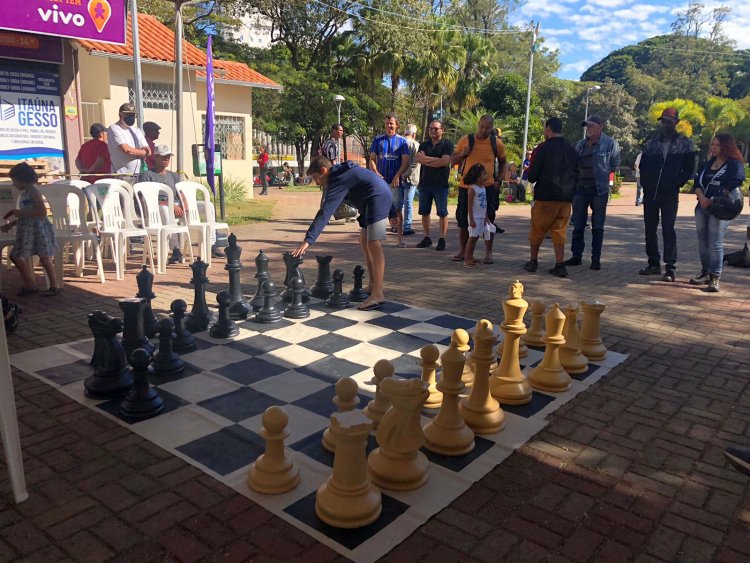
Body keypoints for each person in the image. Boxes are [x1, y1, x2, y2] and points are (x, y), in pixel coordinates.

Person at [292, 156, 392, 311]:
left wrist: (308, 240)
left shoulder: (338, 179)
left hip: (377, 198)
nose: (317, 182)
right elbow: (372, 180)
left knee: (374, 243)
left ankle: (378, 292)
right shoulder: (339, 174)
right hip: (373, 198)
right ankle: (372, 284)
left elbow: (325, 212)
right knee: (364, 241)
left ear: (324, 171)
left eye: (316, 178)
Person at [637, 108, 696, 281]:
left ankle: (670, 266)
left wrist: (678, 182)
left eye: (669, 121)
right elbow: (643, 166)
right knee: (650, 229)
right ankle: (653, 263)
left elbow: (689, 168)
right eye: (663, 121)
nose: (665, 125)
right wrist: (647, 184)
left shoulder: (685, 143)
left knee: (668, 229)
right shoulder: (651, 143)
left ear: (676, 122)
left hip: (670, 194)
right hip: (651, 193)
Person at [690, 134, 745, 292]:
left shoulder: (733, 165)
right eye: (712, 144)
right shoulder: (708, 164)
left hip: (721, 208)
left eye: (717, 145)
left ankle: (715, 277)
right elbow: (697, 183)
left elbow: (736, 181)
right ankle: (705, 272)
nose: (713, 147)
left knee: (715, 243)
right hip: (703, 207)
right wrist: (702, 198)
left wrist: (714, 198)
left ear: (726, 147)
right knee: (703, 242)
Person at [524, 117, 578, 277]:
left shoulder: (542, 148)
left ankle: (533, 261)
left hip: (545, 196)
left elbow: (532, 175)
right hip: (565, 198)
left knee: (538, 229)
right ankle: (560, 264)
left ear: (548, 129)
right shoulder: (571, 149)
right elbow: (578, 172)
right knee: (559, 231)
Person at [565, 115, 620, 271]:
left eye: (591, 126)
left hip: (599, 190)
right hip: (580, 190)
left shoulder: (610, 144)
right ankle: (576, 256)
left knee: (598, 226)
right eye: (587, 126)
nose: (588, 129)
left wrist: (605, 180)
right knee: (578, 225)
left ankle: (596, 258)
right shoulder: (579, 145)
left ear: (600, 126)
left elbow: (615, 164)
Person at [451, 114, 506, 264]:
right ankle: (463, 251)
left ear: (492, 128)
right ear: (478, 124)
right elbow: (453, 161)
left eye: (487, 128)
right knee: (463, 220)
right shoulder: (465, 140)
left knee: (489, 219)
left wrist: (498, 181)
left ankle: (489, 253)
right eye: (481, 126)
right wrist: (463, 153)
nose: (483, 130)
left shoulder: (496, 143)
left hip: (488, 187)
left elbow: (503, 163)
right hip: (466, 187)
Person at [0, 163, 59, 296]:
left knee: (44, 256)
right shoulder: (25, 193)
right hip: (27, 230)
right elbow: (27, 213)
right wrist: (12, 224)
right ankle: (30, 283)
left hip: (38, 230)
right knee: (15, 255)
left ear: (22, 179)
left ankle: (54, 284)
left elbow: (42, 212)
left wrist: (19, 213)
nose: (14, 184)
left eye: (14, 181)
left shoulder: (33, 192)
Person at [139, 144, 186, 265]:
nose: (166, 159)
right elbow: (147, 198)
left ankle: (211, 245)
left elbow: (182, 193)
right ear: (156, 157)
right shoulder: (147, 175)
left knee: (209, 207)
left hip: (176, 205)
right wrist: (170, 205)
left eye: (168, 157)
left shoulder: (174, 176)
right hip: (158, 207)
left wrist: (185, 205)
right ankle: (176, 250)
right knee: (166, 210)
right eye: (163, 157)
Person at [369, 114, 410, 247]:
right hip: (380, 182)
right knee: (379, 210)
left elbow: (406, 162)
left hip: (395, 182)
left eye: (391, 123)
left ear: (397, 125)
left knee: (397, 209)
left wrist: (397, 176)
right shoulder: (378, 140)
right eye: (387, 123)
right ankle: (378, 240)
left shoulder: (402, 141)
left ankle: (400, 239)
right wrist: (375, 173)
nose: (389, 126)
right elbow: (371, 159)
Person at [415, 120, 454, 251]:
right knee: (424, 212)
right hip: (425, 184)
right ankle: (427, 238)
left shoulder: (447, 144)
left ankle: (442, 239)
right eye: (431, 129)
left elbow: (445, 161)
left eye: (436, 129)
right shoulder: (424, 145)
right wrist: (435, 160)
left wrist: (428, 161)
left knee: (442, 213)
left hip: (440, 184)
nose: (433, 131)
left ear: (442, 130)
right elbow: (419, 159)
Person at [107, 103, 150, 184]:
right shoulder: (114, 128)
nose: (132, 117)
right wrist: (142, 153)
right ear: (121, 115)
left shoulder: (137, 130)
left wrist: (141, 152)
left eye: (133, 115)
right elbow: (127, 150)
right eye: (129, 115)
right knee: (126, 196)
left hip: (139, 173)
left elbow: (148, 151)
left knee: (139, 196)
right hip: (122, 174)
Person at [461, 164, 490, 267]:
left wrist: (486, 218)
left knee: (476, 237)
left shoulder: (483, 188)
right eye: (484, 173)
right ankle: (467, 259)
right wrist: (471, 219)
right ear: (477, 176)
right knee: (472, 238)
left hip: (481, 217)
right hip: (475, 217)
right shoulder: (472, 189)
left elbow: (485, 204)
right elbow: (469, 206)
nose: (487, 175)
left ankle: (471, 256)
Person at [401, 124, 421, 236]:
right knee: (408, 202)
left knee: (399, 202)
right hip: (411, 178)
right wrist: (406, 174)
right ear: (414, 134)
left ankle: (396, 225)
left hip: (398, 176)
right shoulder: (415, 144)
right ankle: (407, 227)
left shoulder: (399, 142)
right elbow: (414, 163)